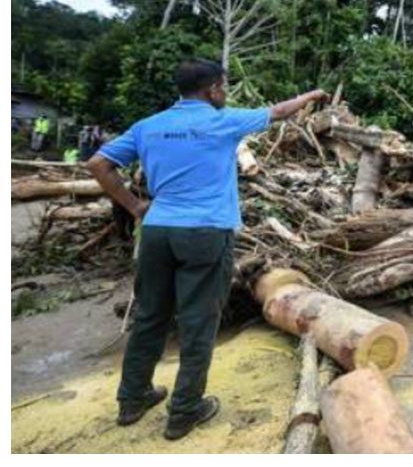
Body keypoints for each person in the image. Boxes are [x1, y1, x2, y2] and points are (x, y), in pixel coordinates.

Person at [86, 59, 328, 440]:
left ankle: (132, 399)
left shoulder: (148, 126)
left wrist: (135, 207)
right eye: (224, 87)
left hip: (157, 231)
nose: (225, 93)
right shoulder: (224, 120)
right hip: (205, 232)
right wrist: (313, 95)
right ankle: (184, 410)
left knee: (150, 315)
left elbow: (98, 164)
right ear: (213, 89)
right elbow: (279, 112)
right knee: (198, 320)